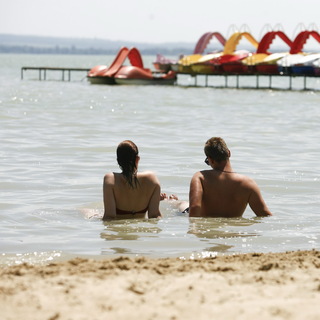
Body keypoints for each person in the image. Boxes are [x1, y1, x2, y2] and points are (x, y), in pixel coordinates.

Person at [188, 137, 272, 218]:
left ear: (211, 160)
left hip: (207, 229)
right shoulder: (248, 183)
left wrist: (195, 230)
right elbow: (265, 215)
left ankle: (174, 201)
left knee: (180, 204)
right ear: (229, 153)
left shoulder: (200, 177)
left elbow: (195, 207)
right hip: (232, 231)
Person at [103, 140, 162, 220]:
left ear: (118, 161)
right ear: (137, 159)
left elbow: (109, 216)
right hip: (142, 230)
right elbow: (154, 215)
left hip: (120, 228)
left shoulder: (110, 179)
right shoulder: (151, 179)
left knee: (87, 211)